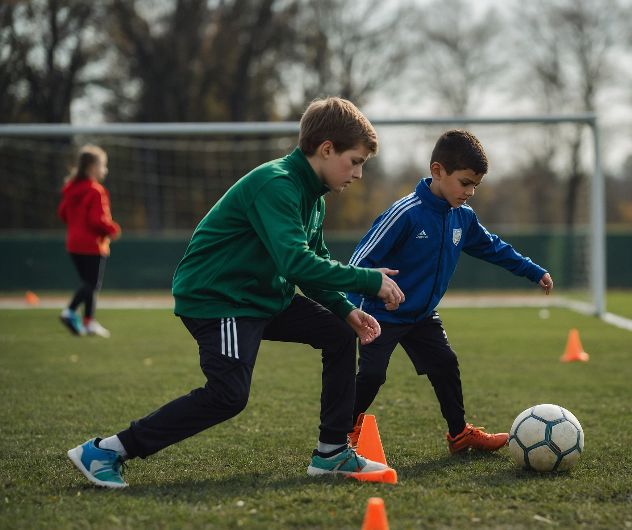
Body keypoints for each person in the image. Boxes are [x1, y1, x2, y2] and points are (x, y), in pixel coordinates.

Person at [67, 97, 405, 489]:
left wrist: (345, 310)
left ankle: (331, 453)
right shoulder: (277, 184)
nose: (360, 173)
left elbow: (312, 263)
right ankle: (106, 451)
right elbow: (296, 263)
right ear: (326, 149)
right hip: (220, 299)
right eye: (356, 160)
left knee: (339, 334)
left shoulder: (312, 195)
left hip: (259, 296)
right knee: (228, 395)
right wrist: (368, 280)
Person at [347, 129, 554, 455]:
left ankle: (459, 434)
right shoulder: (406, 213)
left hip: (422, 314)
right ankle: (344, 431)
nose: (470, 191)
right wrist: (353, 309)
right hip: (380, 311)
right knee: (372, 375)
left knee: (445, 364)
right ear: (438, 171)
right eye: (465, 182)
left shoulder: (463, 217)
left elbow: (494, 248)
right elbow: (359, 261)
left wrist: (533, 270)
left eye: (476, 185)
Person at [57, 144, 121, 338]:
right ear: (92, 167)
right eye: (103, 165)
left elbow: (62, 213)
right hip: (92, 244)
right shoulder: (95, 191)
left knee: (89, 283)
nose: (105, 170)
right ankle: (69, 311)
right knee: (92, 284)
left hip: (73, 244)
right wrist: (112, 229)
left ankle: (88, 322)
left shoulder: (71, 189)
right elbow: (97, 219)